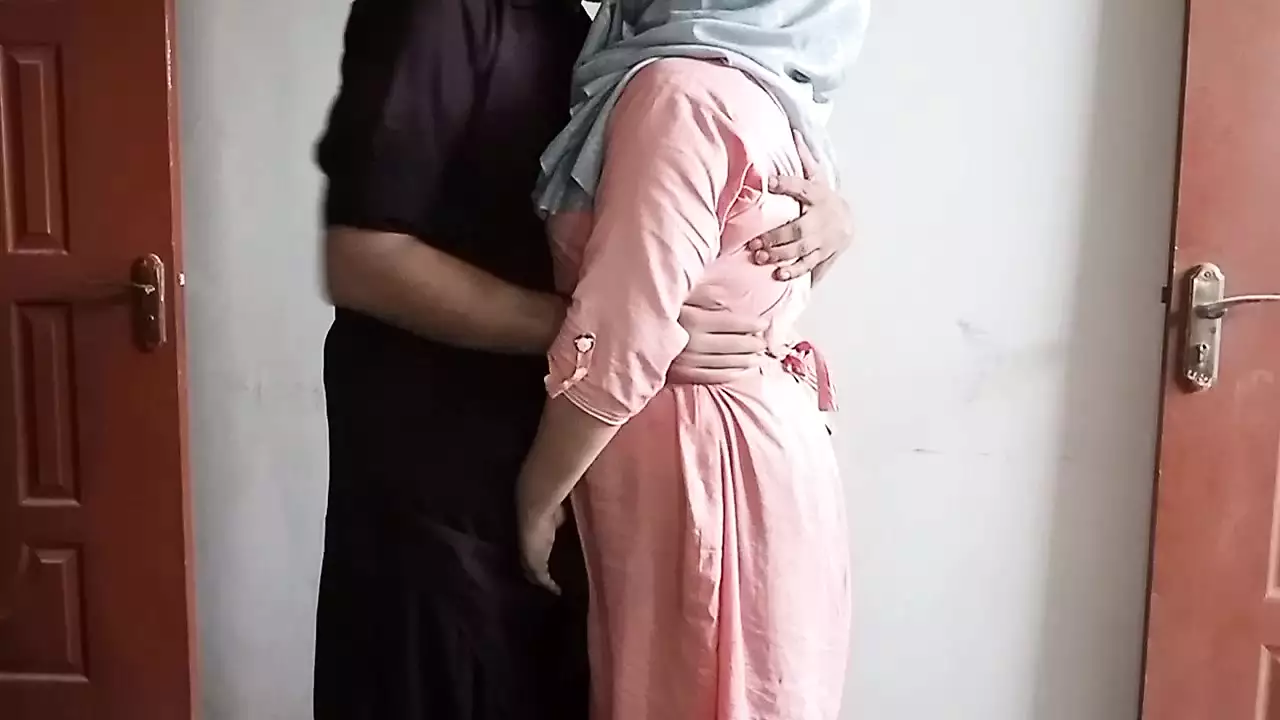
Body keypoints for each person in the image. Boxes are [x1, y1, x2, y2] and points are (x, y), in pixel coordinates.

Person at [310, 0, 857, 717]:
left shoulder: (623, 44)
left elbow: (703, 224)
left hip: (586, 452)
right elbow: (361, 260)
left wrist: (833, 217)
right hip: (449, 466)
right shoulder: (446, 13)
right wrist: (616, 331)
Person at [514, 0, 868, 718]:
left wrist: (534, 496)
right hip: (744, 453)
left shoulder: (680, 95)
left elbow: (623, 335)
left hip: (701, 468)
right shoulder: (769, 92)